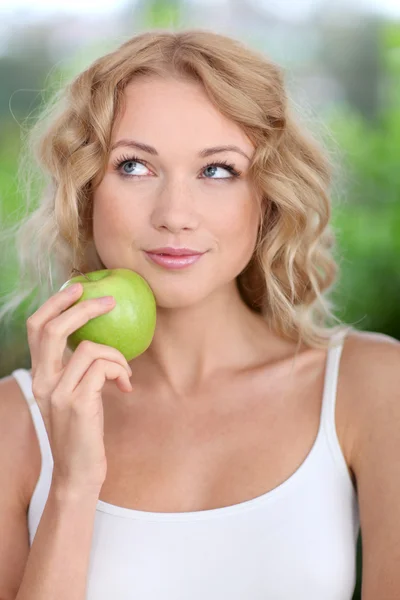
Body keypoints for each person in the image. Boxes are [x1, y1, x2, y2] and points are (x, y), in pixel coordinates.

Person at [0, 28, 399, 600]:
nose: (175, 214)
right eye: (135, 167)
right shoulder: (16, 424)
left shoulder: (373, 389)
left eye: (217, 170)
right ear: (87, 190)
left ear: (267, 196)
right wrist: (73, 483)